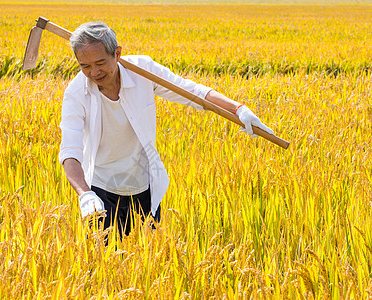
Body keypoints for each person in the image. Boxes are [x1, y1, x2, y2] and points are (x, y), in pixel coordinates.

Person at [58, 21, 273, 238]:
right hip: (101, 192)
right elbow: (70, 152)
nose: (94, 72)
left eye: (100, 63)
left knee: (149, 262)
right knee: (104, 263)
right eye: (85, 66)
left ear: (118, 53)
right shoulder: (76, 94)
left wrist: (238, 109)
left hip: (145, 188)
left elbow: (191, 91)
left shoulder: (143, 70)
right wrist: (85, 194)